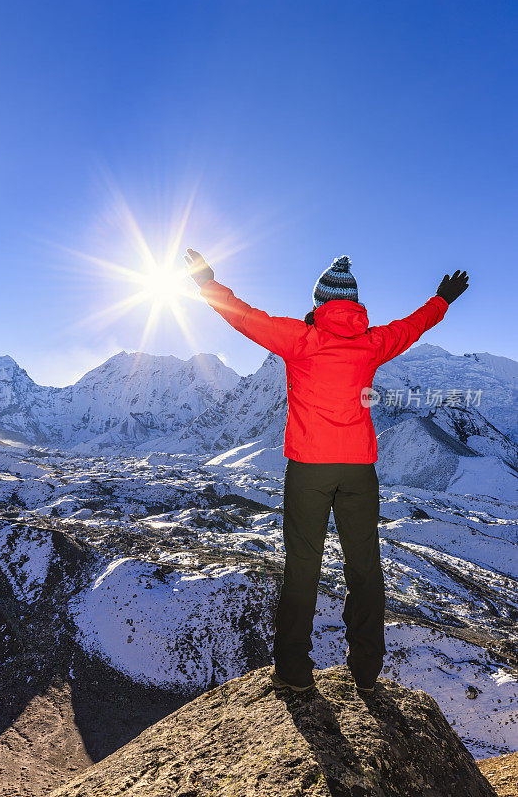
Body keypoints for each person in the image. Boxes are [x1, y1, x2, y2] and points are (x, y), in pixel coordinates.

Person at [184, 248, 469, 694]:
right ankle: (367, 673)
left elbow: (242, 316)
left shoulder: (298, 339)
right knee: (364, 568)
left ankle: (294, 671)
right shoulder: (371, 343)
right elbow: (412, 328)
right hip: (358, 470)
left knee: (302, 566)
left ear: (319, 301)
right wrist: (442, 300)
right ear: (354, 305)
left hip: (309, 469)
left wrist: (206, 281)